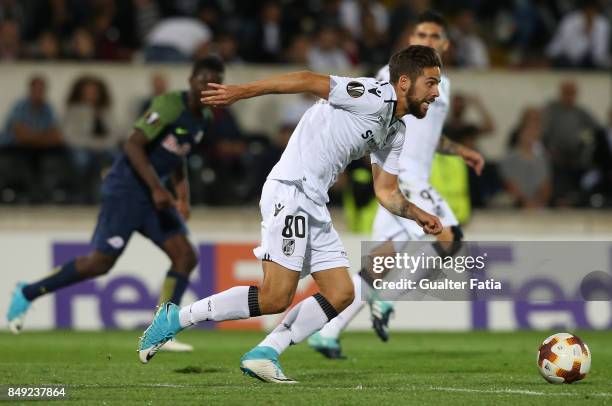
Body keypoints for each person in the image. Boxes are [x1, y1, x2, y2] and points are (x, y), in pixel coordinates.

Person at [138, 45, 444, 383]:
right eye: (430, 83)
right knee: (274, 297)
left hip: (314, 201)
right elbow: (306, 79)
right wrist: (242, 92)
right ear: (403, 83)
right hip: (292, 190)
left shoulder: (395, 130)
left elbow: (386, 191)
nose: (436, 92)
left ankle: (265, 353)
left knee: (341, 292)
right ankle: (175, 319)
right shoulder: (372, 94)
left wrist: (418, 214)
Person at [7, 57, 225, 352]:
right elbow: (132, 144)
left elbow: (178, 154)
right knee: (99, 263)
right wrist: (157, 189)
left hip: (153, 195)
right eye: (202, 80)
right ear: (190, 80)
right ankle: (27, 293)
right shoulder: (170, 105)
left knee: (185, 255)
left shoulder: (205, 118)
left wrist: (182, 196)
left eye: (214, 82)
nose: (206, 87)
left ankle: (161, 329)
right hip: (126, 190)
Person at [307, 10, 484, 359]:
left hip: (408, 177)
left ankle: (327, 333)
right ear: (410, 40)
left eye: (435, 37)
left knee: (378, 264)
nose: (427, 41)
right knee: (450, 240)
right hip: (402, 176)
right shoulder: (393, 77)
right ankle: (387, 302)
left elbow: (429, 135)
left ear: (446, 45)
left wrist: (459, 149)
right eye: (422, 34)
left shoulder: (439, 85)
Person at [500, 107, 551, 209]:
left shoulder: (542, 160)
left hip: (538, 206)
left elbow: (545, 186)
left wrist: (537, 203)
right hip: (516, 206)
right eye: (528, 131)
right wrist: (525, 203)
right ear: (520, 134)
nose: (530, 135)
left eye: (534, 131)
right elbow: (510, 184)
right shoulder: (509, 159)